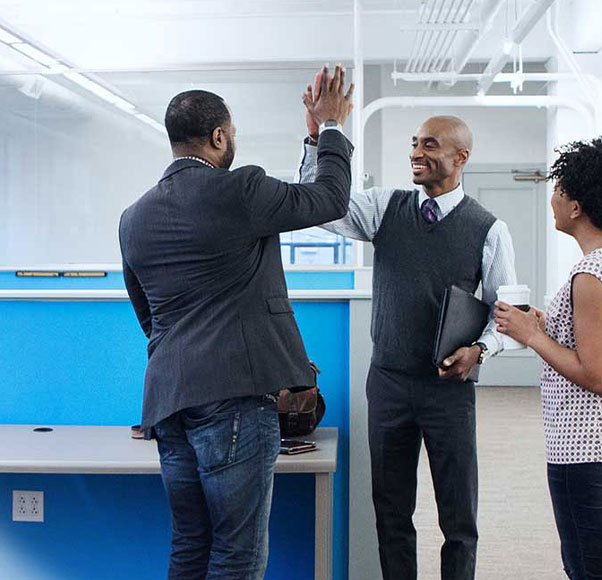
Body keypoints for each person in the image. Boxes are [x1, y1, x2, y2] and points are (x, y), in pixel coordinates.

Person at [118, 65, 354, 580]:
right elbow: (330, 200)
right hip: (234, 403)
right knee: (237, 551)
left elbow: (148, 316)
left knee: (189, 543)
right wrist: (332, 127)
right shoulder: (240, 190)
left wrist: (312, 142)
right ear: (220, 136)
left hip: (167, 402)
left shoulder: (133, 216)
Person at [300, 81, 516, 580]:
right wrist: (317, 140)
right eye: (415, 144)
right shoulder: (385, 207)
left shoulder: (489, 228)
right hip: (390, 384)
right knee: (391, 511)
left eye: (430, 145)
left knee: (458, 517)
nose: (417, 153)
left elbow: (505, 310)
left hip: (448, 390)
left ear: (461, 157)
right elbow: (323, 205)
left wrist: (480, 352)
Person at [495, 137, 602, 580]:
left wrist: (532, 336)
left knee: (588, 569)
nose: (552, 198)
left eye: (559, 189)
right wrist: (550, 325)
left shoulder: (592, 273)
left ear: (576, 207)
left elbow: (599, 375)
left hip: (593, 445)